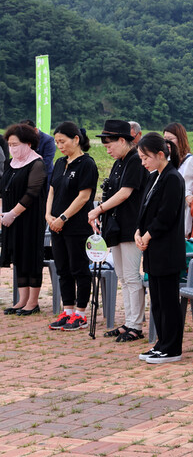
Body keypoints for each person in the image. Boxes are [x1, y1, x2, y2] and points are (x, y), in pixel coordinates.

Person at [89, 120, 149, 340]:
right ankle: (129, 322)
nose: (108, 149)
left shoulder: (134, 160)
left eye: (110, 144)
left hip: (131, 227)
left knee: (132, 276)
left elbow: (125, 193)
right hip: (115, 226)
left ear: (123, 140)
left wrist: (98, 210)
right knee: (123, 276)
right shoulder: (119, 162)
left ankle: (136, 325)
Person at [135, 134, 186, 363]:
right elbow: (144, 209)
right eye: (141, 158)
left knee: (168, 300)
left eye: (146, 158)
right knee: (156, 299)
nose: (143, 163)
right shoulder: (153, 177)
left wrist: (147, 234)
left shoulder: (173, 178)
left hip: (166, 248)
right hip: (152, 247)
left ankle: (172, 346)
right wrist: (138, 231)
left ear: (160, 154)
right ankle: (161, 342)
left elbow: (167, 214)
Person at [45, 122, 98, 331]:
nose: (60, 146)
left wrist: (63, 218)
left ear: (76, 139)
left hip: (75, 226)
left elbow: (84, 196)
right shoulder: (59, 163)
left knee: (79, 269)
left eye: (63, 141)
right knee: (63, 269)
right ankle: (67, 310)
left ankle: (81, 313)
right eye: (57, 142)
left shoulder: (87, 164)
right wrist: (48, 215)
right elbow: (52, 190)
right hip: (56, 226)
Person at [1, 124, 47, 315]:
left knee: (30, 256)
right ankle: (22, 299)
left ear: (28, 144)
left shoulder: (37, 163)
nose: (12, 148)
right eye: (9, 145)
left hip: (29, 218)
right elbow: (2, 189)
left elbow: (32, 193)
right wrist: (4, 213)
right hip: (11, 219)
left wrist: (13, 213)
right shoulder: (10, 164)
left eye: (15, 144)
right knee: (19, 256)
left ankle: (33, 302)